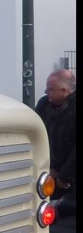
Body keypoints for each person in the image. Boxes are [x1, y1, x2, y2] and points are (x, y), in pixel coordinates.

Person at [35, 68, 76, 196]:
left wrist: (64, 176)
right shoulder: (44, 104)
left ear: (64, 91)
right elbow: (36, 136)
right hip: (48, 174)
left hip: (69, 180)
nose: (45, 92)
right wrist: (47, 168)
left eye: (50, 89)